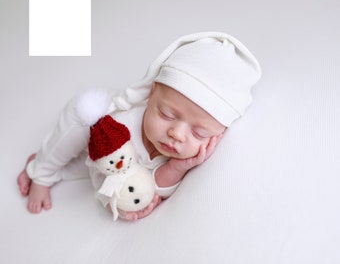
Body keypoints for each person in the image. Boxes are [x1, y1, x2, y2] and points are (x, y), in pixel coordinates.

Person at [17, 32, 262, 220]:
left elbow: (155, 188)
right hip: (97, 137)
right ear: (152, 93)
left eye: (198, 132)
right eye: (166, 114)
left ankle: (43, 163)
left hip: (110, 164)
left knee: (80, 168)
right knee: (77, 128)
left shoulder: (184, 154)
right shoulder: (120, 124)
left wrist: (178, 168)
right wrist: (107, 199)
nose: (176, 133)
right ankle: (43, 171)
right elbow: (98, 170)